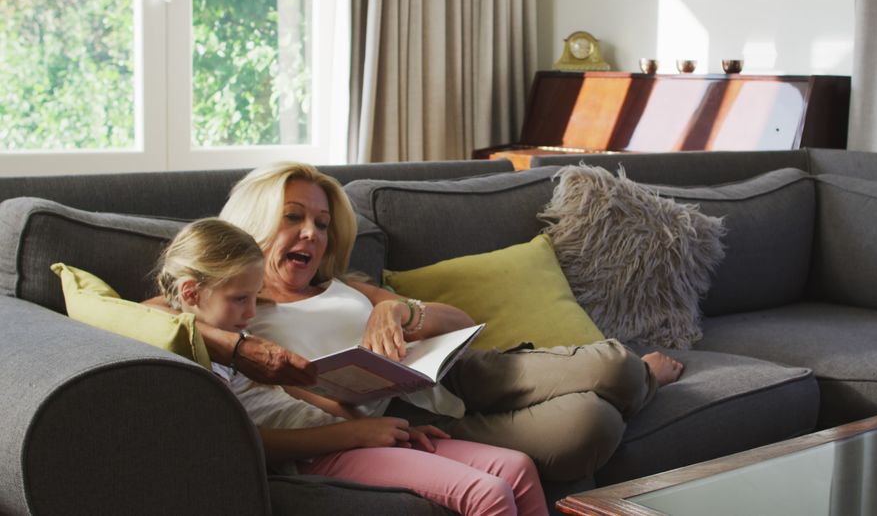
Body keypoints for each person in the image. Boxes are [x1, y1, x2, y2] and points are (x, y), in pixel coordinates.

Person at [217, 161, 685, 481]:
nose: (311, 235)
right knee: (591, 427)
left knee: (618, 367)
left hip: (458, 371)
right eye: (293, 217)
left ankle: (640, 378)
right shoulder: (232, 307)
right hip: (405, 416)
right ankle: (637, 390)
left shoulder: (343, 285)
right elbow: (151, 313)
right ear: (254, 221)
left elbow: (461, 321)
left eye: (321, 224)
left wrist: (399, 309)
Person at [153, 218, 547, 516]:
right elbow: (248, 443)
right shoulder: (183, 360)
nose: (252, 313)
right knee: (488, 493)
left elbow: (299, 395)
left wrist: (388, 429)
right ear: (191, 292)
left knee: (516, 466)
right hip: (318, 453)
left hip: (343, 432)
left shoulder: (241, 346)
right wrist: (354, 434)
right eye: (240, 299)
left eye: (254, 298)